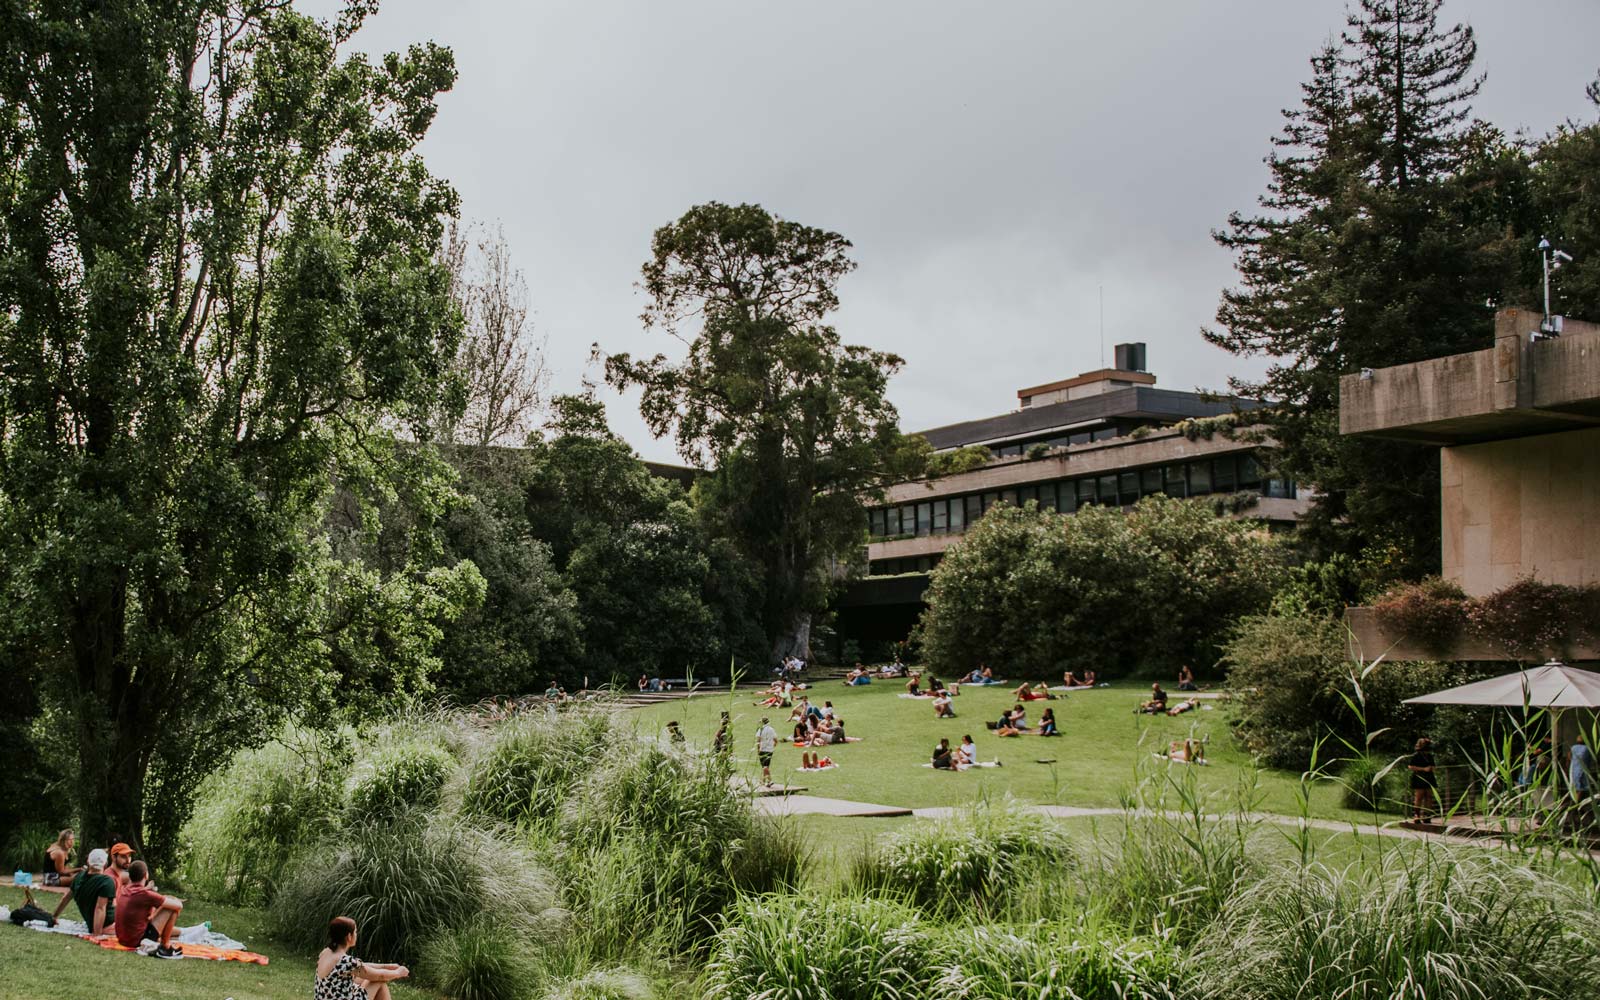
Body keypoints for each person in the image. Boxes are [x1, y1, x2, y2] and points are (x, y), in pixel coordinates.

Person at [317, 915, 410, 1000]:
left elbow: (362, 966)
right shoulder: (345, 961)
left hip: (330, 996)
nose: (356, 934)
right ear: (349, 936)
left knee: (365, 980)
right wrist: (398, 972)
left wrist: (386, 966)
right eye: (355, 932)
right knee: (377, 981)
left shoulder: (325, 952)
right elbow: (378, 975)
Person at [114, 860, 183, 958]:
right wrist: (167, 900)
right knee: (172, 908)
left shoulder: (124, 890)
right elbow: (179, 905)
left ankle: (164, 943)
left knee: (166, 904)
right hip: (138, 941)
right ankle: (165, 946)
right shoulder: (145, 895)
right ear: (146, 875)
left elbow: (140, 895)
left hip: (123, 939)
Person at [69, 848, 117, 936]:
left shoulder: (78, 877)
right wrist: (97, 934)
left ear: (88, 862)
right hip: (108, 926)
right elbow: (100, 908)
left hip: (95, 923)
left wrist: (54, 916)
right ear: (105, 864)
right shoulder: (106, 881)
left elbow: (66, 898)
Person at [1409, 737, 1437, 823]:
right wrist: (1423, 769)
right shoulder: (1416, 755)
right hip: (1419, 777)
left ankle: (1427, 815)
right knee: (1419, 797)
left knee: (1429, 796)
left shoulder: (1429, 756)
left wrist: (1431, 768)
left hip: (1429, 777)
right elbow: (1411, 766)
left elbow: (1434, 766)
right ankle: (1417, 815)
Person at [1569, 734, 1594, 802]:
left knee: (1576, 788)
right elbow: (1592, 759)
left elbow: (1569, 756)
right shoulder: (1587, 748)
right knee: (1581, 788)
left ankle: (1575, 803)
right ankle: (1576, 804)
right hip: (1583, 770)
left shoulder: (1573, 747)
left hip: (1574, 769)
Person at [755, 717, 778, 786]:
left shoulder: (760, 730)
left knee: (764, 766)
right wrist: (772, 746)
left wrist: (758, 749)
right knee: (766, 766)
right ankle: (763, 780)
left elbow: (758, 741)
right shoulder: (772, 729)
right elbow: (776, 740)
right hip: (770, 750)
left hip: (762, 749)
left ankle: (770, 780)